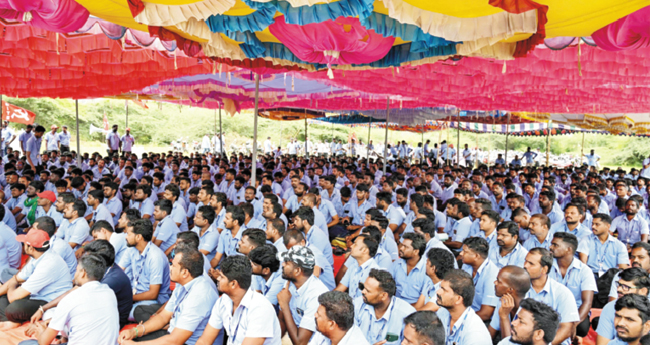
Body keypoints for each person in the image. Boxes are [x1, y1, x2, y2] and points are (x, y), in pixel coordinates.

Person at [118, 247, 217, 345]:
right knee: (135, 333)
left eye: (173, 265)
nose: (170, 268)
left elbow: (175, 341)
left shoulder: (199, 295)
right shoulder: (182, 284)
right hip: (173, 334)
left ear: (185, 272)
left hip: (185, 342)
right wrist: (135, 331)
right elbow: (163, 317)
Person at [19, 253, 119, 345]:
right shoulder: (109, 293)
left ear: (83, 273)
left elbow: (43, 342)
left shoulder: (71, 298)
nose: (75, 275)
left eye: (76, 270)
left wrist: (41, 332)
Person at [195, 255, 281, 345]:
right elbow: (205, 340)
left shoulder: (260, 308)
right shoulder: (223, 301)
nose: (218, 279)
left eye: (221, 276)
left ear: (233, 284)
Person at [0, 229, 72, 330]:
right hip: (36, 294)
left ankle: (12, 320)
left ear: (30, 248)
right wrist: (13, 282)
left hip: (50, 301)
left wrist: (13, 283)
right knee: (4, 290)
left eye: (24, 243)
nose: (23, 245)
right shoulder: (38, 256)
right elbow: (18, 278)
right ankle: (10, 320)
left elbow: (13, 296)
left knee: (14, 307)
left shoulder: (48, 264)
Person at [117, 219, 171, 322]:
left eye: (128, 234)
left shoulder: (155, 257)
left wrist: (128, 298)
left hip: (153, 301)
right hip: (136, 295)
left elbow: (153, 294)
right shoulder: (131, 249)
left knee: (126, 313)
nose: (126, 237)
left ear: (138, 237)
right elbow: (119, 270)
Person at [523, 248, 580, 345]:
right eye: (526, 261)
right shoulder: (520, 288)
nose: (525, 265)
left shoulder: (563, 293)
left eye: (531, 264)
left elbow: (566, 329)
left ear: (544, 269)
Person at [277, 245, 329, 345]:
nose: (282, 264)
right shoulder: (290, 283)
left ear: (297, 271)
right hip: (292, 335)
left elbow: (300, 343)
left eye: (286, 263)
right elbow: (281, 319)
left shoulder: (316, 295)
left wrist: (285, 305)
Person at [548, 232, 598, 337]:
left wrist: (573, 325)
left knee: (582, 329)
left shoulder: (584, 271)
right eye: (552, 244)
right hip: (550, 309)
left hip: (574, 312)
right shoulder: (546, 266)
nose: (550, 247)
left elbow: (587, 303)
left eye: (555, 245)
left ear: (569, 249)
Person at [354, 268, 416, 345]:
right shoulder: (357, 305)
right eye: (363, 288)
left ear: (383, 295)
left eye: (368, 291)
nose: (362, 292)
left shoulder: (406, 314)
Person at [434, 269, 492, 345]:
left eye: (444, 290)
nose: (438, 292)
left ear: (458, 299)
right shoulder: (443, 312)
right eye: (440, 287)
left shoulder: (476, 335)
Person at [596, 267, 650, 345]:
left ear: (643, 291)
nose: (619, 289)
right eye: (619, 285)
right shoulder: (610, 307)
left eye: (626, 287)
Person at [459, 237, 499, 321]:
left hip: (479, 319)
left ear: (476, 256)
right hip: (465, 311)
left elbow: (486, 314)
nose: (461, 254)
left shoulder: (492, 275)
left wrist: (459, 319)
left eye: (465, 252)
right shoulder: (466, 264)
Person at [488, 266, 531, 340]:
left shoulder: (530, 312)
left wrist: (504, 317)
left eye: (498, 281)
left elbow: (508, 343)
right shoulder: (503, 301)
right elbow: (490, 334)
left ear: (510, 290)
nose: (494, 283)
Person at [496, 298, 560, 345]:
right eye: (517, 318)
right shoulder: (507, 342)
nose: (513, 323)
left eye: (521, 322)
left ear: (539, 334)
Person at [335, 234, 380, 299]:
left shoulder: (374, 272)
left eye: (355, 244)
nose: (351, 246)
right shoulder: (353, 266)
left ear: (364, 250)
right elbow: (340, 289)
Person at [391, 233, 428, 305]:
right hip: (395, 304)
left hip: (416, 309)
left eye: (405, 247)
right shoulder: (397, 263)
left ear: (416, 252)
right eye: (401, 245)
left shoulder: (427, 269)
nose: (401, 248)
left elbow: (425, 300)